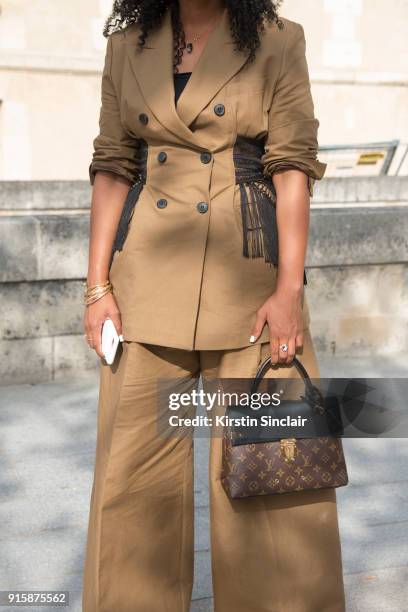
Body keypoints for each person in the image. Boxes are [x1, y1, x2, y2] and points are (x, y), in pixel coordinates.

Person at [82, 1, 346, 611]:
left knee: (275, 489)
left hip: (251, 287)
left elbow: (293, 168)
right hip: (144, 283)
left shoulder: (280, 41)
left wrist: (289, 291)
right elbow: (112, 165)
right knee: (130, 483)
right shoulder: (127, 46)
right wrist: (98, 287)